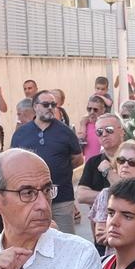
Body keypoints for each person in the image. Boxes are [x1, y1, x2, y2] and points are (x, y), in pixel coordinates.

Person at [9, 91, 84, 235]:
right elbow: (14, 161)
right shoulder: (21, 133)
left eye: (53, 105)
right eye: (45, 104)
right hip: (31, 198)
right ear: (35, 107)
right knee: (34, 237)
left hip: (61, 198)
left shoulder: (65, 132)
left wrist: (59, 169)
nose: (50, 107)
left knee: (66, 239)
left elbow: (77, 159)